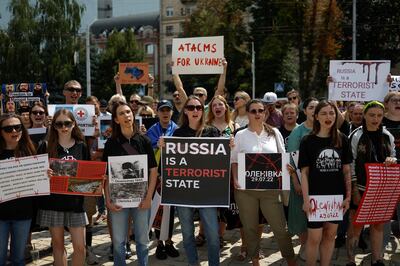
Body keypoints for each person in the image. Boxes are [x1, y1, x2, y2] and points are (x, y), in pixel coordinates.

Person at [231, 99, 296, 266]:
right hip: (246, 191)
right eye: (253, 111)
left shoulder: (274, 132)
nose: (257, 114)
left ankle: (290, 260)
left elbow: (282, 157)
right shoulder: (240, 135)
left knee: (280, 228)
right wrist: (236, 179)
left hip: (270, 190)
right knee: (250, 228)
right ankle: (255, 260)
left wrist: (288, 172)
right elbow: (234, 160)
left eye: (261, 111)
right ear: (247, 113)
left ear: (265, 113)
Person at [166, 95, 221, 266]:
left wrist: (229, 145)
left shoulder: (212, 132)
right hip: (185, 192)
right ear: (185, 111)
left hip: (207, 192)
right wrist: (164, 146)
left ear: (202, 110)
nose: (195, 110)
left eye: (198, 107)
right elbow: (171, 161)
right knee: (187, 234)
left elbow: (221, 161)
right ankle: (193, 263)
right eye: (191, 108)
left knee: (212, 235)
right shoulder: (178, 133)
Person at [103, 101, 158, 266]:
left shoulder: (144, 141)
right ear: (116, 120)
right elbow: (106, 176)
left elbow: (153, 171)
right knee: (119, 241)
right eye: (122, 113)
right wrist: (107, 200)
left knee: (142, 240)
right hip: (118, 199)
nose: (127, 115)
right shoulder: (111, 144)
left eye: (128, 112)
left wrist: (149, 197)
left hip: (141, 198)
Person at [298, 100, 352, 266]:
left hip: (336, 198)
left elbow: (347, 171)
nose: (328, 117)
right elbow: (305, 173)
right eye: (323, 113)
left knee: (330, 236)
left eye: (331, 113)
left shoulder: (342, 138)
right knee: (314, 238)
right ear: (316, 117)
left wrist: (348, 197)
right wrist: (306, 200)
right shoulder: (307, 140)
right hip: (315, 197)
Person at [346, 101, 396, 266]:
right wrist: (354, 190)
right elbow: (350, 163)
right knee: (356, 226)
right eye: (372, 115)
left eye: (379, 115)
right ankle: (351, 261)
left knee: (378, 224)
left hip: (381, 189)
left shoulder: (388, 136)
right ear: (365, 116)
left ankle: (377, 259)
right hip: (360, 187)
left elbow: (394, 156)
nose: (375, 119)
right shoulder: (355, 135)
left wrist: (393, 159)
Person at [37, 108, 89, 266]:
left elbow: (88, 174)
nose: (64, 127)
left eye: (67, 123)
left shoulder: (82, 146)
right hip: (53, 203)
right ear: (53, 126)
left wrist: (98, 179)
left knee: (80, 248)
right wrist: (43, 173)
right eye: (59, 124)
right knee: (58, 246)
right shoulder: (45, 146)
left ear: (74, 124)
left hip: (76, 204)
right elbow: (37, 176)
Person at [0, 114, 37, 266]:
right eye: (8, 128)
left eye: (17, 127)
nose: (14, 131)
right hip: (0, 214)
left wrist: (44, 175)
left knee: (18, 258)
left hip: (23, 214)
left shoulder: (30, 152)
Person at [146, 100, 180, 260]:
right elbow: (149, 154)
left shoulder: (177, 130)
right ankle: (159, 243)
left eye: (168, 110)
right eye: (162, 110)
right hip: (158, 176)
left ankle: (168, 241)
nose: (165, 113)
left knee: (171, 211)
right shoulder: (152, 131)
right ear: (157, 112)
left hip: (173, 175)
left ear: (172, 112)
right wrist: (158, 146)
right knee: (159, 209)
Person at [287, 97, 319, 258]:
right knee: (301, 216)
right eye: (311, 107)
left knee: (317, 214)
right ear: (305, 111)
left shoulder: (326, 129)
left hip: (320, 183)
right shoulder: (297, 132)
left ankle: (314, 246)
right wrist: (296, 181)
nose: (314, 110)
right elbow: (291, 159)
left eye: (317, 107)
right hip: (300, 182)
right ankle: (305, 246)